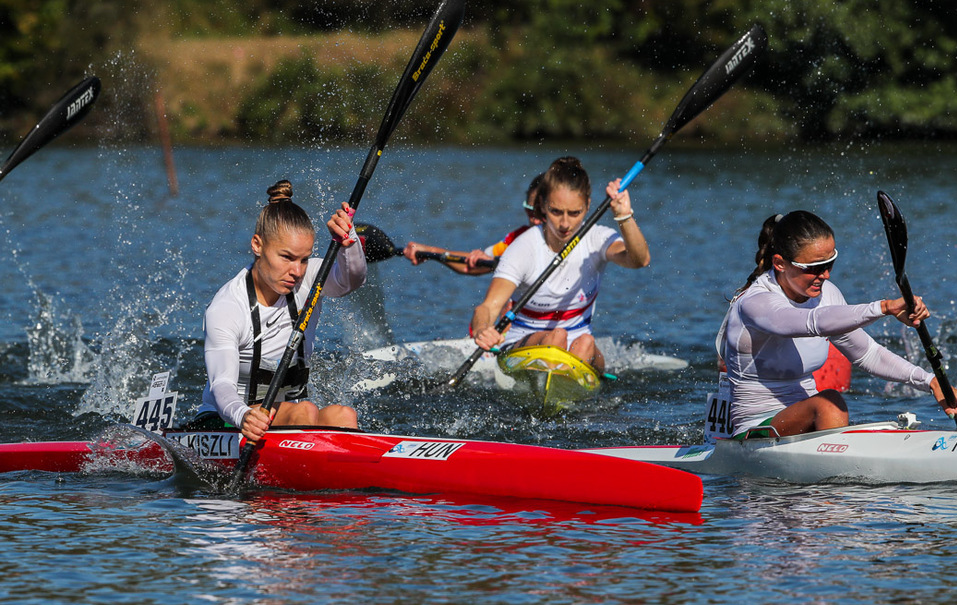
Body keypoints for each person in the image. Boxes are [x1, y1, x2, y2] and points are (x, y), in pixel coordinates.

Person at [719, 210, 957, 438]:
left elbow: (868, 354)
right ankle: (835, 482)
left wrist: (930, 382)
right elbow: (811, 322)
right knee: (829, 401)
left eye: (829, 264)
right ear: (780, 263)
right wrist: (884, 307)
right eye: (814, 268)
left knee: (830, 404)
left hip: (804, 420)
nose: (825, 275)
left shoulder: (827, 294)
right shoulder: (755, 302)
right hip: (754, 428)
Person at [196, 179, 367, 444]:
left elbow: (350, 281)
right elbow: (222, 386)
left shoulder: (308, 279)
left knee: (343, 415)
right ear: (257, 245)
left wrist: (349, 241)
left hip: (288, 420)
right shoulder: (228, 307)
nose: (297, 271)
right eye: (286, 258)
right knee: (305, 410)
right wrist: (243, 416)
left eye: (304, 259)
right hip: (227, 422)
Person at [470, 156, 649, 372]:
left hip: (580, 345)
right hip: (524, 342)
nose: (565, 224)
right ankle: (560, 384)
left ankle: (562, 385)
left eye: (574, 213)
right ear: (544, 206)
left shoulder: (597, 239)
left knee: (586, 342)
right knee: (557, 337)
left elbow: (640, 260)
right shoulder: (523, 247)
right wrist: (482, 330)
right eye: (556, 212)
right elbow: (488, 307)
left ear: (588, 206)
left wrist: (624, 216)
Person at [401, 174, 543, 275]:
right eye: (530, 211)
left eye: (540, 214)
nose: (535, 220)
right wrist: (430, 251)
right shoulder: (516, 239)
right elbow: (472, 266)